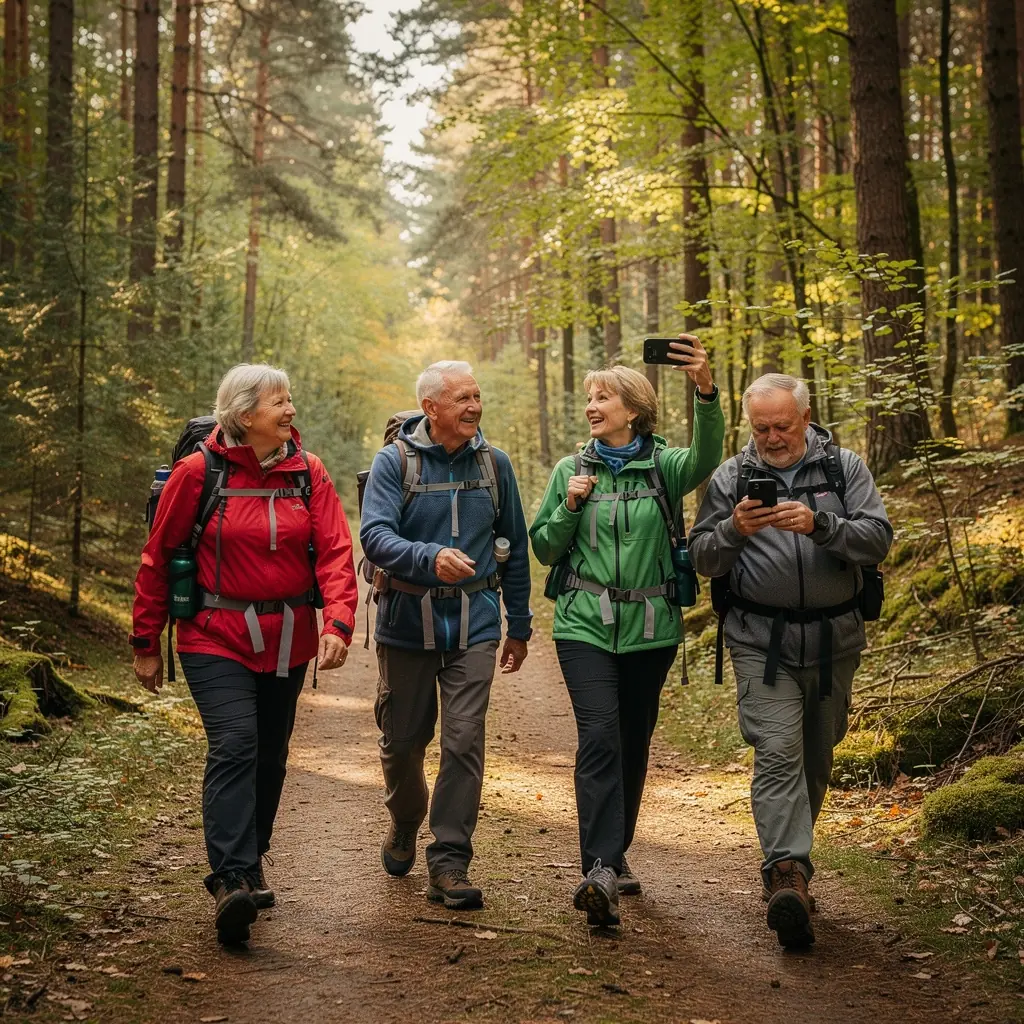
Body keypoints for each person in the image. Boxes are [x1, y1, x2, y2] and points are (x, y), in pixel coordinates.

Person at [131, 363, 359, 944]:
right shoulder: (196, 472)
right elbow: (160, 557)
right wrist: (146, 641)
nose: (290, 410)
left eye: (290, 399)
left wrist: (337, 622)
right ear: (243, 414)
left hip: (287, 637)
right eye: (280, 401)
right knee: (235, 743)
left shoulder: (308, 473)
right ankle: (230, 878)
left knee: (270, 756)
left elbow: (334, 552)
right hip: (214, 634)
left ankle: (251, 859)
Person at [688, 373, 893, 949]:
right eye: (760, 428)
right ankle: (787, 873)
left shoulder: (844, 469)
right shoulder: (732, 476)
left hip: (834, 642)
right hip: (760, 641)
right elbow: (701, 556)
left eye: (782, 426)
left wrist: (821, 524)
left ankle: (791, 865)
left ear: (805, 418)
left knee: (815, 758)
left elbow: (877, 539)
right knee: (777, 752)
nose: (772, 438)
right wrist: (733, 529)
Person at [530, 336, 724, 928]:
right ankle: (600, 868)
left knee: (633, 742)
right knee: (600, 738)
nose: (592, 406)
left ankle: (614, 855)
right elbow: (542, 546)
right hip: (583, 626)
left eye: (604, 396)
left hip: (650, 628)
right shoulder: (571, 469)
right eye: (590, 397)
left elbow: (706, 457)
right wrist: (567, 505)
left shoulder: (663, 467)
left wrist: (706, 391)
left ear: (634, 409)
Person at [359, 360, 532, 911]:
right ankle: (407, 816)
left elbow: (515, 548)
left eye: (477, 396)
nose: (474, 407)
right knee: (403, 741)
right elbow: (375, 537)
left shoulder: (495, 465)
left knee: (464, 742)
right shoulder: (394, 463)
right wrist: (429, 557)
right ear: (431, 407)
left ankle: (450, 861)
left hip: (475, 624)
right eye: (462, 398)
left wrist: (520, 625)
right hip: (407, 624)